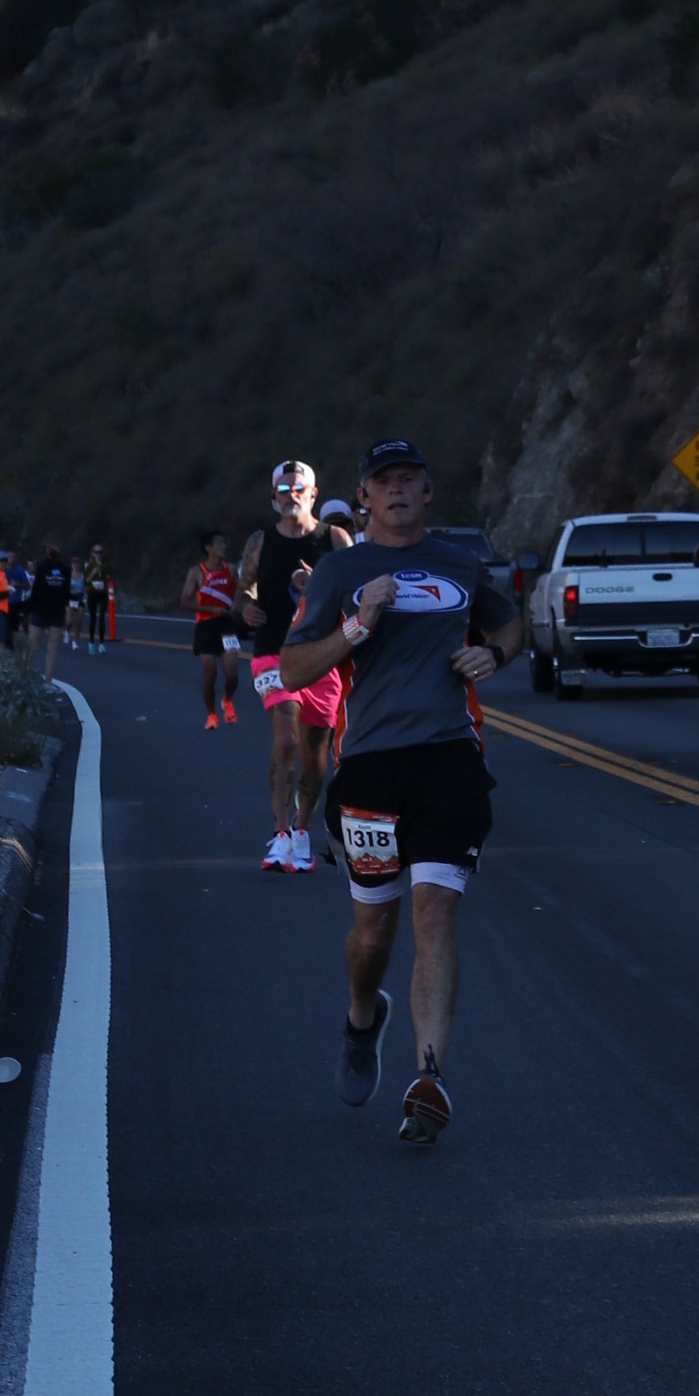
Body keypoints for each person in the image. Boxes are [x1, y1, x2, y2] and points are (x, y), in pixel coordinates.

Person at [278, 436, 523, 1144]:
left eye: (408, 479)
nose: (396, 490)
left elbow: (510, 621)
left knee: (435, 912)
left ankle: (428, 1079)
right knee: (372, 931)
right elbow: (293, 669)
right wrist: (358, 625)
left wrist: (494, 652)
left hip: (449, 759)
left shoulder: (459, 563)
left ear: (427, 490)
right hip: (369, 767)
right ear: (364, 497)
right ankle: (363, 1019)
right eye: (383, 481)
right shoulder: (340, 570)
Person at [241, 459, 351, 871]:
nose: (291, 496)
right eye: (283, 490)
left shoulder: (335, 540)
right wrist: (246, 607)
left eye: (298, 489)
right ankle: (280, 832)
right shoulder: (260, 542)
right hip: (273, 652)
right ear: (273, 497)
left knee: (314, 749)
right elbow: (243, 589)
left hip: (323, 656)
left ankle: (302, 830)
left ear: (313, 494)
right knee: (286, 738)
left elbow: (356, 594)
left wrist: (317, 584)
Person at [188, 528, 243, 725]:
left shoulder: (231, 569)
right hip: (205, 626)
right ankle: (211, 714)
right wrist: (210, 609)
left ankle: (227, 700)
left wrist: (238, 607)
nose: (224, 546)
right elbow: (185, 601)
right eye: (219, 543)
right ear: (208, 547)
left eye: (224, 542)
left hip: (227, 625)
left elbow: (242, 593)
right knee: (210, 672)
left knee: (232, 674)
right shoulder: (197, 572)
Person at [28, 537, 71, 679]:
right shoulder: (42, 567)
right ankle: (25, 675)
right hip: (41, 610)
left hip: (56, 612)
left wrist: (66, 610)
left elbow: (66, 592)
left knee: (52, 647)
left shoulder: (65, 569)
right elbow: (35, 590)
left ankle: (47, 679)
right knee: (33, 645)